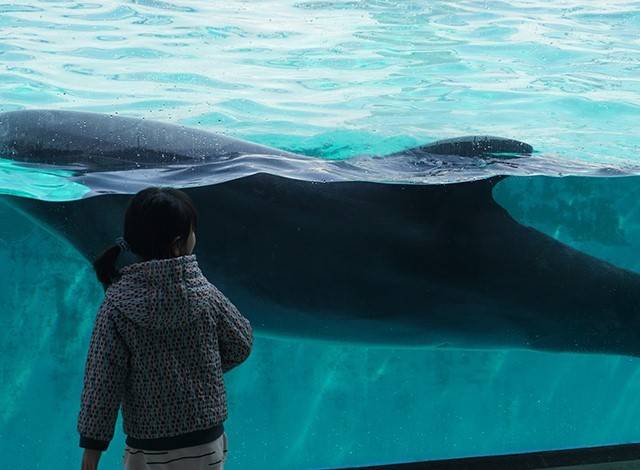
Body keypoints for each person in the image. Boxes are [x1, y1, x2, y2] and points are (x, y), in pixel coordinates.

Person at [77, 187, 253, 470]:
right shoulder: (205, 295)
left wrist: (91, 453)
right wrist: (199, 369)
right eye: (192, 230)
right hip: (205, 442)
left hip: (147, 445)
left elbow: (103, 382)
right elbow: (241, 343)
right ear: (177, 243)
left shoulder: (117, 305)